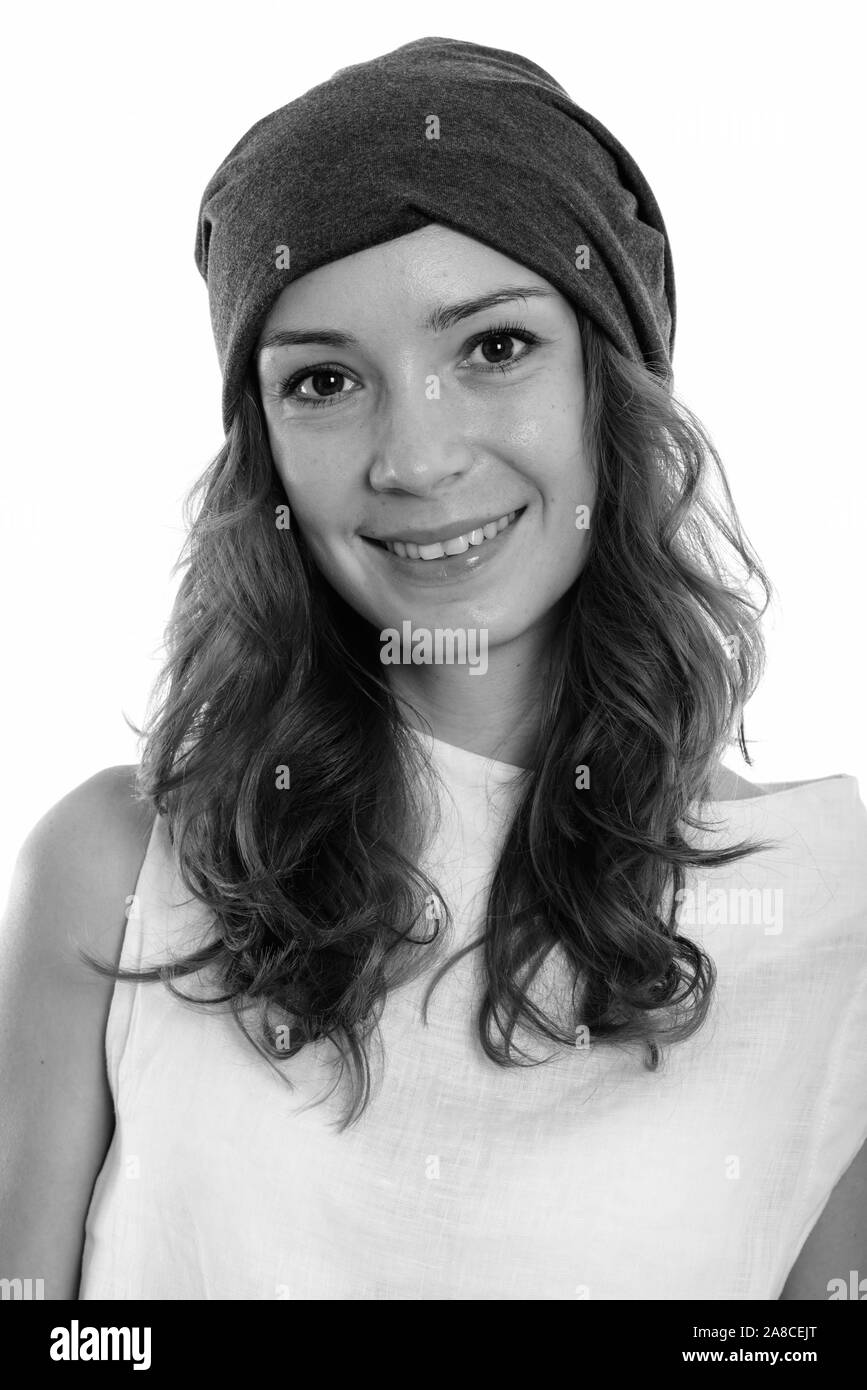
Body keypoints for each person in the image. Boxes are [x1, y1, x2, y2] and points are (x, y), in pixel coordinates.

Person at [1, 36, 865, 1302]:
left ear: (611, 383)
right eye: (327, 380)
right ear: (264, 451)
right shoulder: (114, 868)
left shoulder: (833, 910)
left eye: (494, 349)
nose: (414, 456)